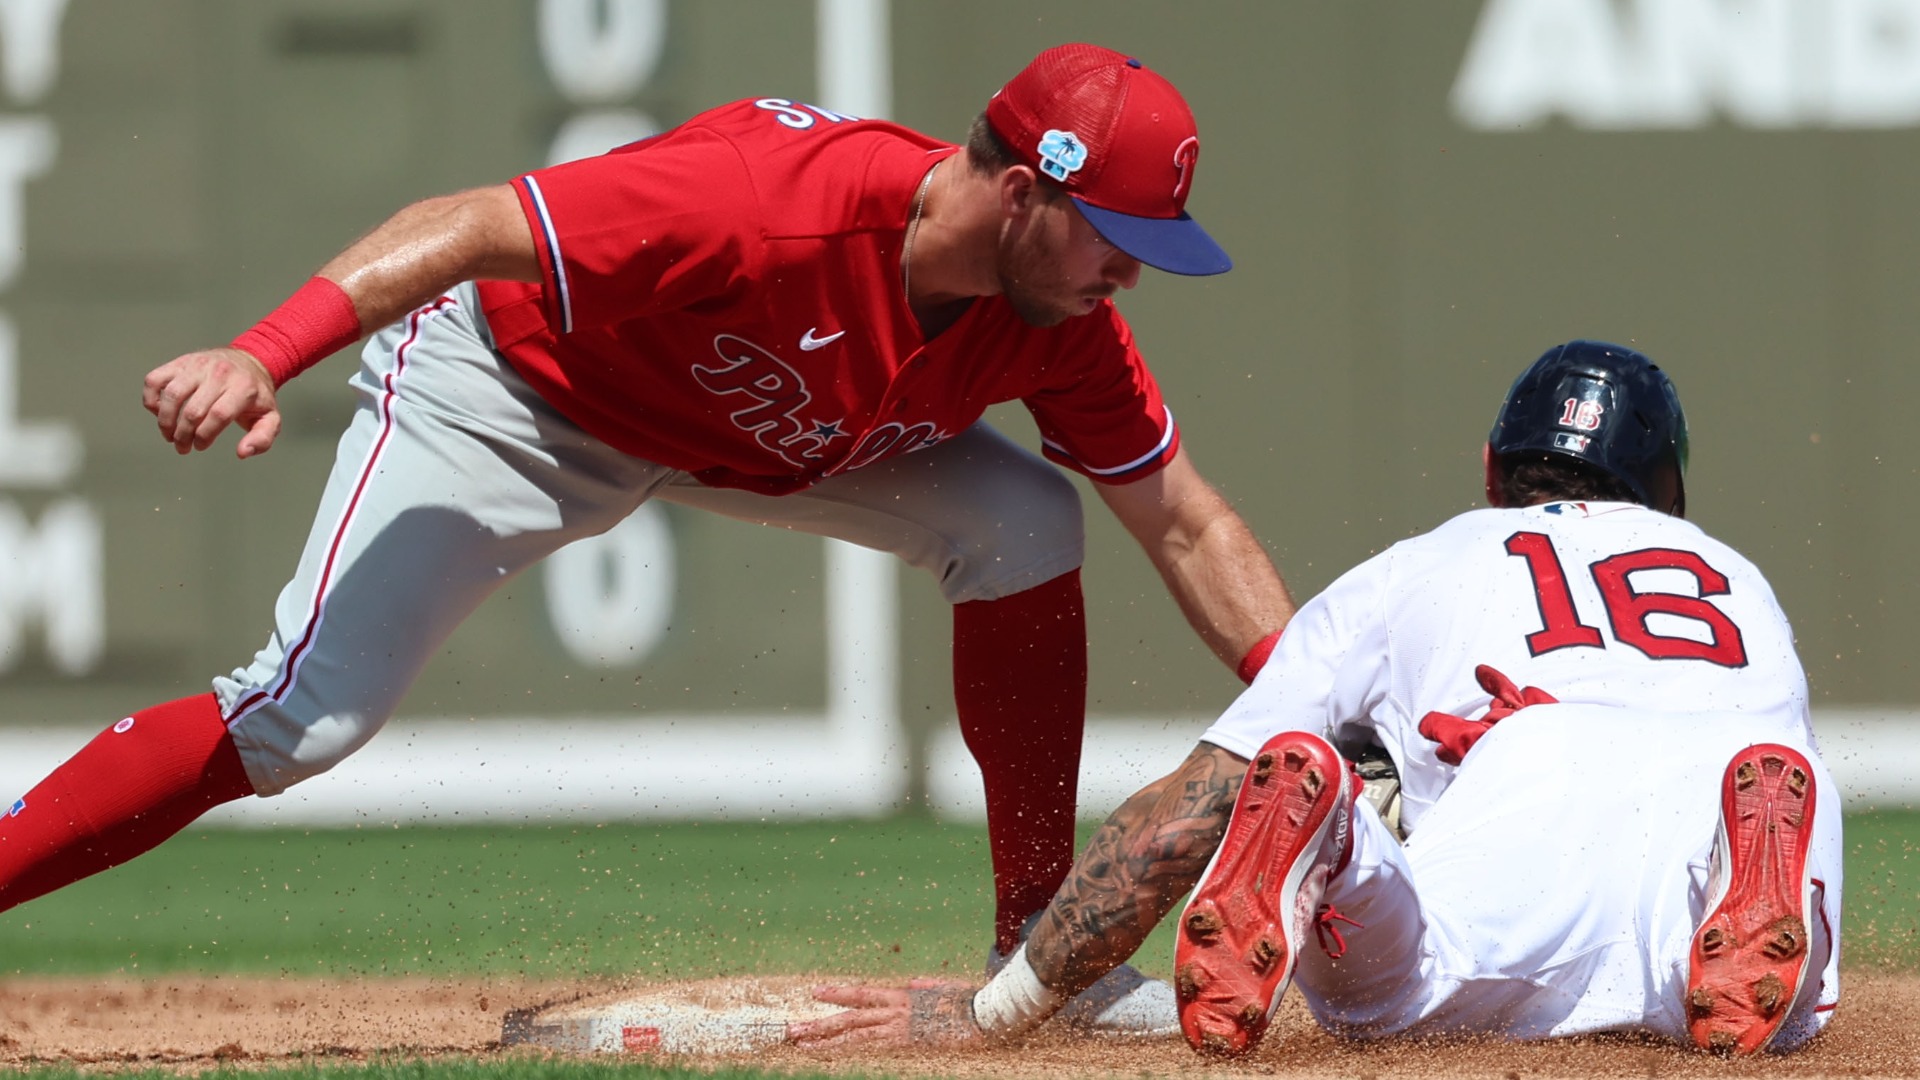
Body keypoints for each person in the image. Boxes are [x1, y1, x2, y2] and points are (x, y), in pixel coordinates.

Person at [0, 44, 1294, 1032]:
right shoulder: (765, 201)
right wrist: (262, 352)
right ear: (1021, 195)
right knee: (301, 718)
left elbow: (1183, 520)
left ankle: (1039, 946)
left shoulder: (1054, 321)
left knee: (1021, 518)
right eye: (1114, 243)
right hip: (516, 394)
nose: (1128, 276)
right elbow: (467, 223)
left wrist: (1318, 704)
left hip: (755, 434)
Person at [789, 341, 1843, 1057]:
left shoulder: (1424, 564)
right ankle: (1746, 884)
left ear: (1491, 470)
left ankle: (1334, 837)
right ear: (1671, 493)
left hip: (1527, 775)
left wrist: (998, 1009)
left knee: (1396, 987)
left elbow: (1195, 806)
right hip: (1723, 785)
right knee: (1769, 1006)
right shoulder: (1733, 574)